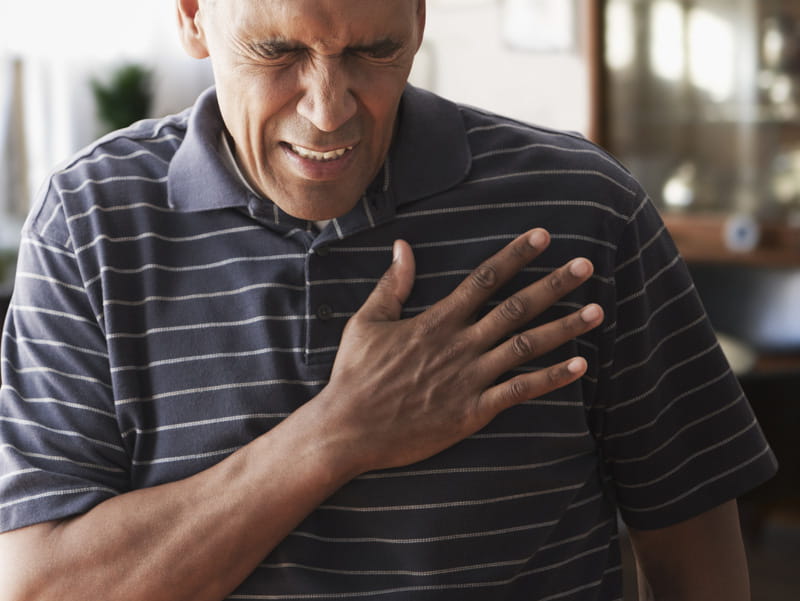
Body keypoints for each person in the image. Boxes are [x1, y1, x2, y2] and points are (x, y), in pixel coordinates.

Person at [0, 1, 777, 600]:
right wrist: (341, 432)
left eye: (374, 51)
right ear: (194, 15)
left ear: (419, 17)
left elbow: (695, 557)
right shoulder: (89, 224)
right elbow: (43, 584)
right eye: (278, 50)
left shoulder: (587, 209)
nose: (328, 109)